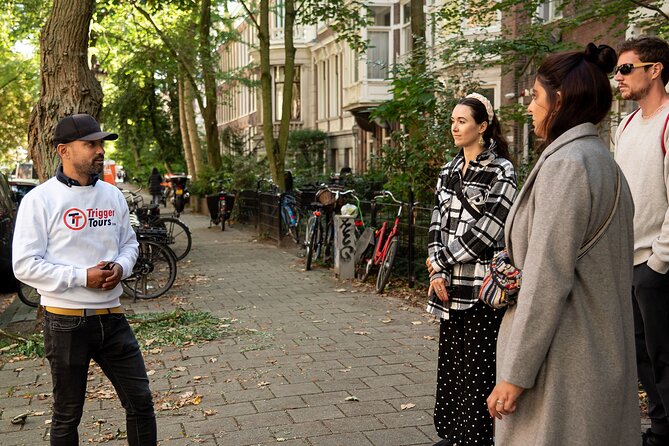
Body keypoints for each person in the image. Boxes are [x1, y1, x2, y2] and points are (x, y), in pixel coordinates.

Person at [487, 43, 639, 445]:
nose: (529, 107)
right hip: (597, 352)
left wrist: (515, 375)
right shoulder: (601, 162)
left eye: (535, 97)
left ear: (561, 100)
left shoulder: (567, 167)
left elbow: (545, 280)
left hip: (564, 362)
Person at [12, 113, 157, 446]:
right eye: (90, 144)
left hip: (113, 318)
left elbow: (129, 244)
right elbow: (24, 265)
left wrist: (121, 267)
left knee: (141, 403)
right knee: (67, 414)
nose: (99, 150)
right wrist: (82, 277)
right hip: (65, 323)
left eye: (100, 144)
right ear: (64, 151)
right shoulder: (40, 200)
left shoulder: (113, 196)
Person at [426, 93, 517, 446]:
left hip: (481, 288)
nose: (454, 127)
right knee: (450, 369)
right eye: (452, 120)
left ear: (483, 126)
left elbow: (489, 230)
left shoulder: (501, 170)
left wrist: (441, 260)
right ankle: (452, 435)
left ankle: (477, 439)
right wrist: (435, 271)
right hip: (448, 288)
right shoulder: (448, 170)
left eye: (462, 121)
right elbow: (436, 223)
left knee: (479, 372)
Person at [614, 36, 669, 446]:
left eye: (625, 69)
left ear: (655, 70)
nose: (618, 77)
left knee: (664, 356)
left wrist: (658, 264)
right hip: (626, 261)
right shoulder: (626, 124)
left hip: (656, 265)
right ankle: (660, 429)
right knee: (642, 358)